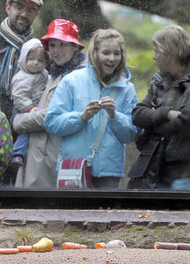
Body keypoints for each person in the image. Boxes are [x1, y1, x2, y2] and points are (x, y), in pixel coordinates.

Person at [44, 28, 138, 189]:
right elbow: (52, 123)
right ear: (95, 53)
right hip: (73, 168)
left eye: (117, 53)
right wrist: (81, 117)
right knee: (70, 214)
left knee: (105, 214)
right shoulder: (71, 81)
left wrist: (115, 116)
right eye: (106, 53)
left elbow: (131, 134)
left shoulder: (127, 89)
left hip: (109, 173)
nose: (112, 59)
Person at [12, 19, 86, 188]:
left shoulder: (80, 75)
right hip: (37, 155)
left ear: (75, 47)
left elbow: (52, 115)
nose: (56, 51)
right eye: (52, 45)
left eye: (62, 44)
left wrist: (18, 121)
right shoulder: (51, 72)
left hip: (56, 157)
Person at [130, 24, 190, 190]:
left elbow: (182, 126)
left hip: (185, 175)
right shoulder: (158, 83)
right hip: (153, 170)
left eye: (158, 51)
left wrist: (153, 118)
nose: (154, 57)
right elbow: (137, 114)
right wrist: (167, 113)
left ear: (171, 53)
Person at [10, 38, 50, 167]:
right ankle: (17, 154)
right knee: (26, 131)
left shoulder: (44, 74)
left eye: (40, 60)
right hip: (22, 109)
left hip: (36, 107)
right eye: (31, 59)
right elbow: (19, 96)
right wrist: (30, 108)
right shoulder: (22, 77)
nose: (35, 63)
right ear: (23, 59)